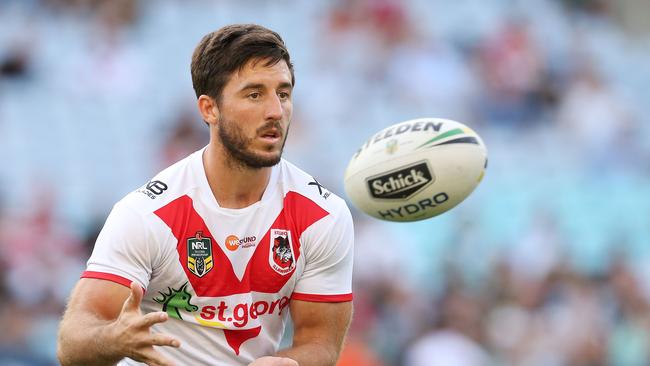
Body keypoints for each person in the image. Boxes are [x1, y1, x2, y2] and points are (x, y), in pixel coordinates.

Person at [57, 24, 354, 366]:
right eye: (254, 94)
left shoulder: (323, 214)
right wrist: (113, 339)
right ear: (209, 109)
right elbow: (72, 344)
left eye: (283, 94)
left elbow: (320, 342)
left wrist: (293, 363)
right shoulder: (147, 214)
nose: (275, 111)